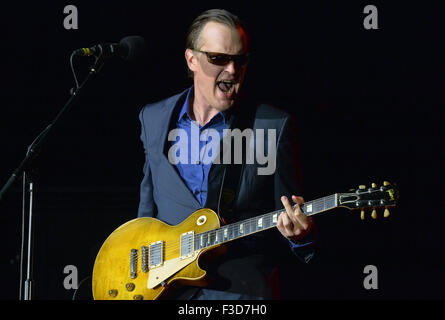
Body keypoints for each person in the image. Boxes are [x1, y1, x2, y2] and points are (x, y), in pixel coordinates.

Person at [137, 8, 316, 300]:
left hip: (237, 293)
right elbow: (146, 210)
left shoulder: (271, 126)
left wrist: (301, 237)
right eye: (219, 59)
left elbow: (292, 213)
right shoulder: (154, 117)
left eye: (240, 60)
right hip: (166, 288)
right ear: (192, 59)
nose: (232, 71)